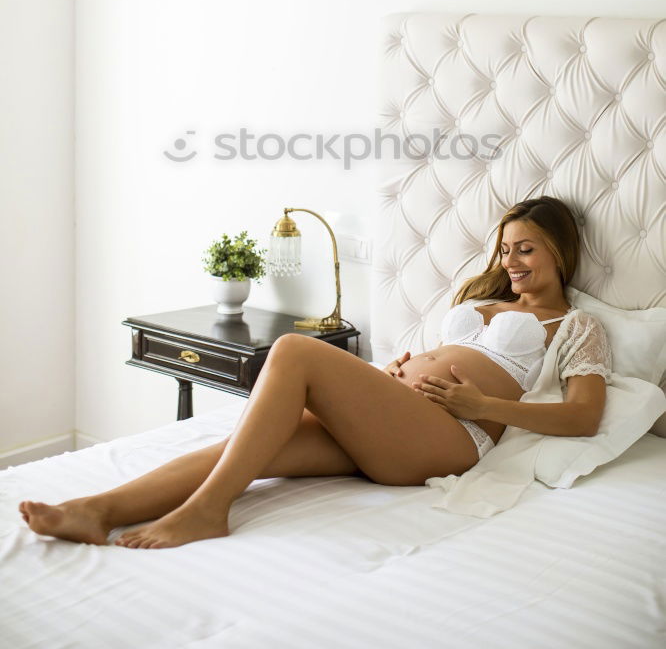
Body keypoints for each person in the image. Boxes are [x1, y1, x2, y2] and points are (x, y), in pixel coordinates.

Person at [19, 195, 611, 550]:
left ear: (558, 252)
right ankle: (97, 510)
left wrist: (481, 407)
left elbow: (585, 417)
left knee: (295, 352)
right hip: (398, 417)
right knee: (249, 447)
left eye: (526, 249)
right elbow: (442, 359)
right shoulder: (484, 298)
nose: (510, 262)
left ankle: (207, 511)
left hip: (454, 437)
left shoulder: (577, 325)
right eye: (505, 249)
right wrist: (393, 371)